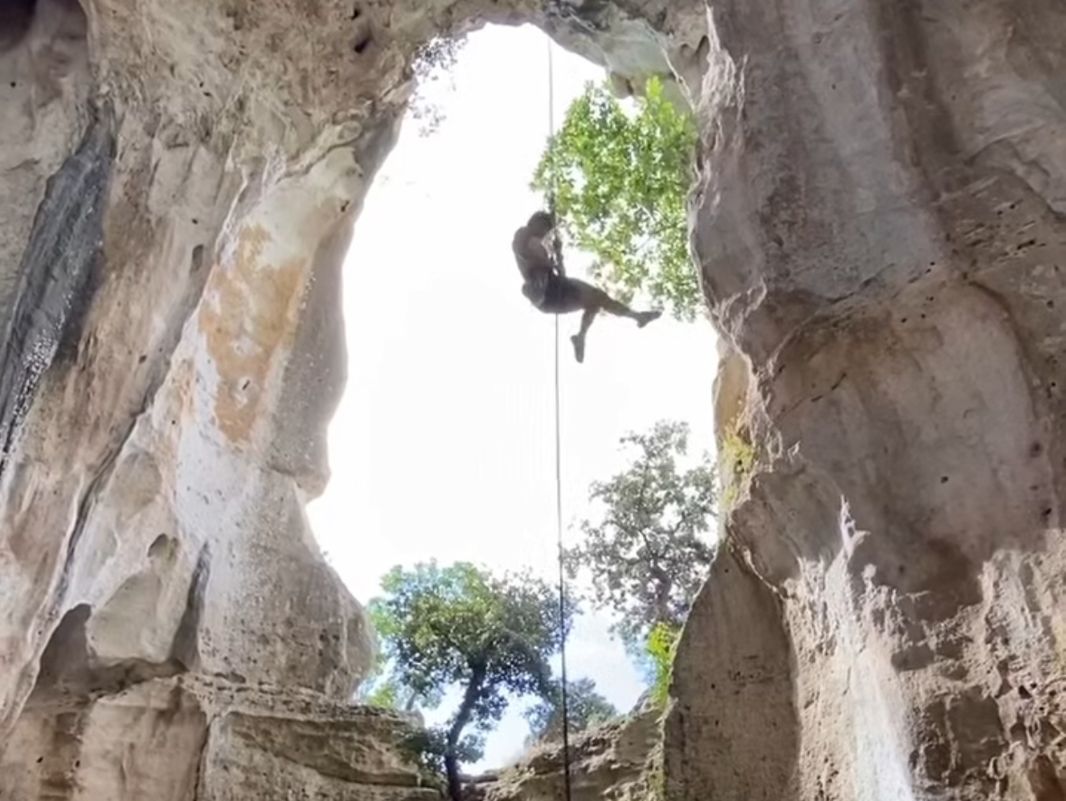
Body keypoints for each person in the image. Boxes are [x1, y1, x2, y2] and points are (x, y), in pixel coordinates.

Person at [512, 211, 661, 363]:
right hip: (544, 293)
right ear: (536, 223)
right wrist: (551, 258)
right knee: (593, 298)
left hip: (557, 288)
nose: (545, 233)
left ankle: (633, 318)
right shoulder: (524, 233)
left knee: (597, 298)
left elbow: (561, 273)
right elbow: (529, 252)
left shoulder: (543, 248)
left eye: (547, 230)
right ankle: (586, 335)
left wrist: (558, 253)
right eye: (545, 228)